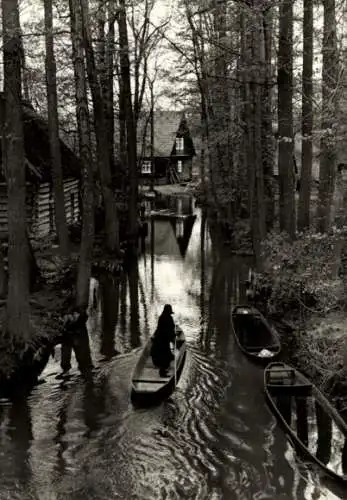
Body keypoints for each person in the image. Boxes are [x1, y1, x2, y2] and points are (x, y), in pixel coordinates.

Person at [151, 304, 176, 377]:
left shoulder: (161, 317)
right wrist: (173, 337)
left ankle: (163, 368)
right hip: (165, 339)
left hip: (159, 338)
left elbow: (158, 328)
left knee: (164, 353)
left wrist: (154, 335)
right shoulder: (169, 318)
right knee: (165, 355)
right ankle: (162, 372)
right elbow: (171, 329)